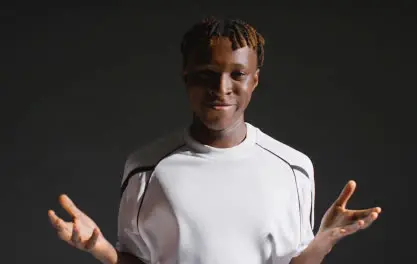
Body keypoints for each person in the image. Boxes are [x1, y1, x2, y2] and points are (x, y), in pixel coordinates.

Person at [48, 16, 382, 264]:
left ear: (255, 81)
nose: (221, 88)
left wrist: (323, 241)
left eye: (237, 74)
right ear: (186, 76)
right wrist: (100, 248)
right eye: (207, 73)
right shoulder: (146, 167)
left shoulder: (293, 167)